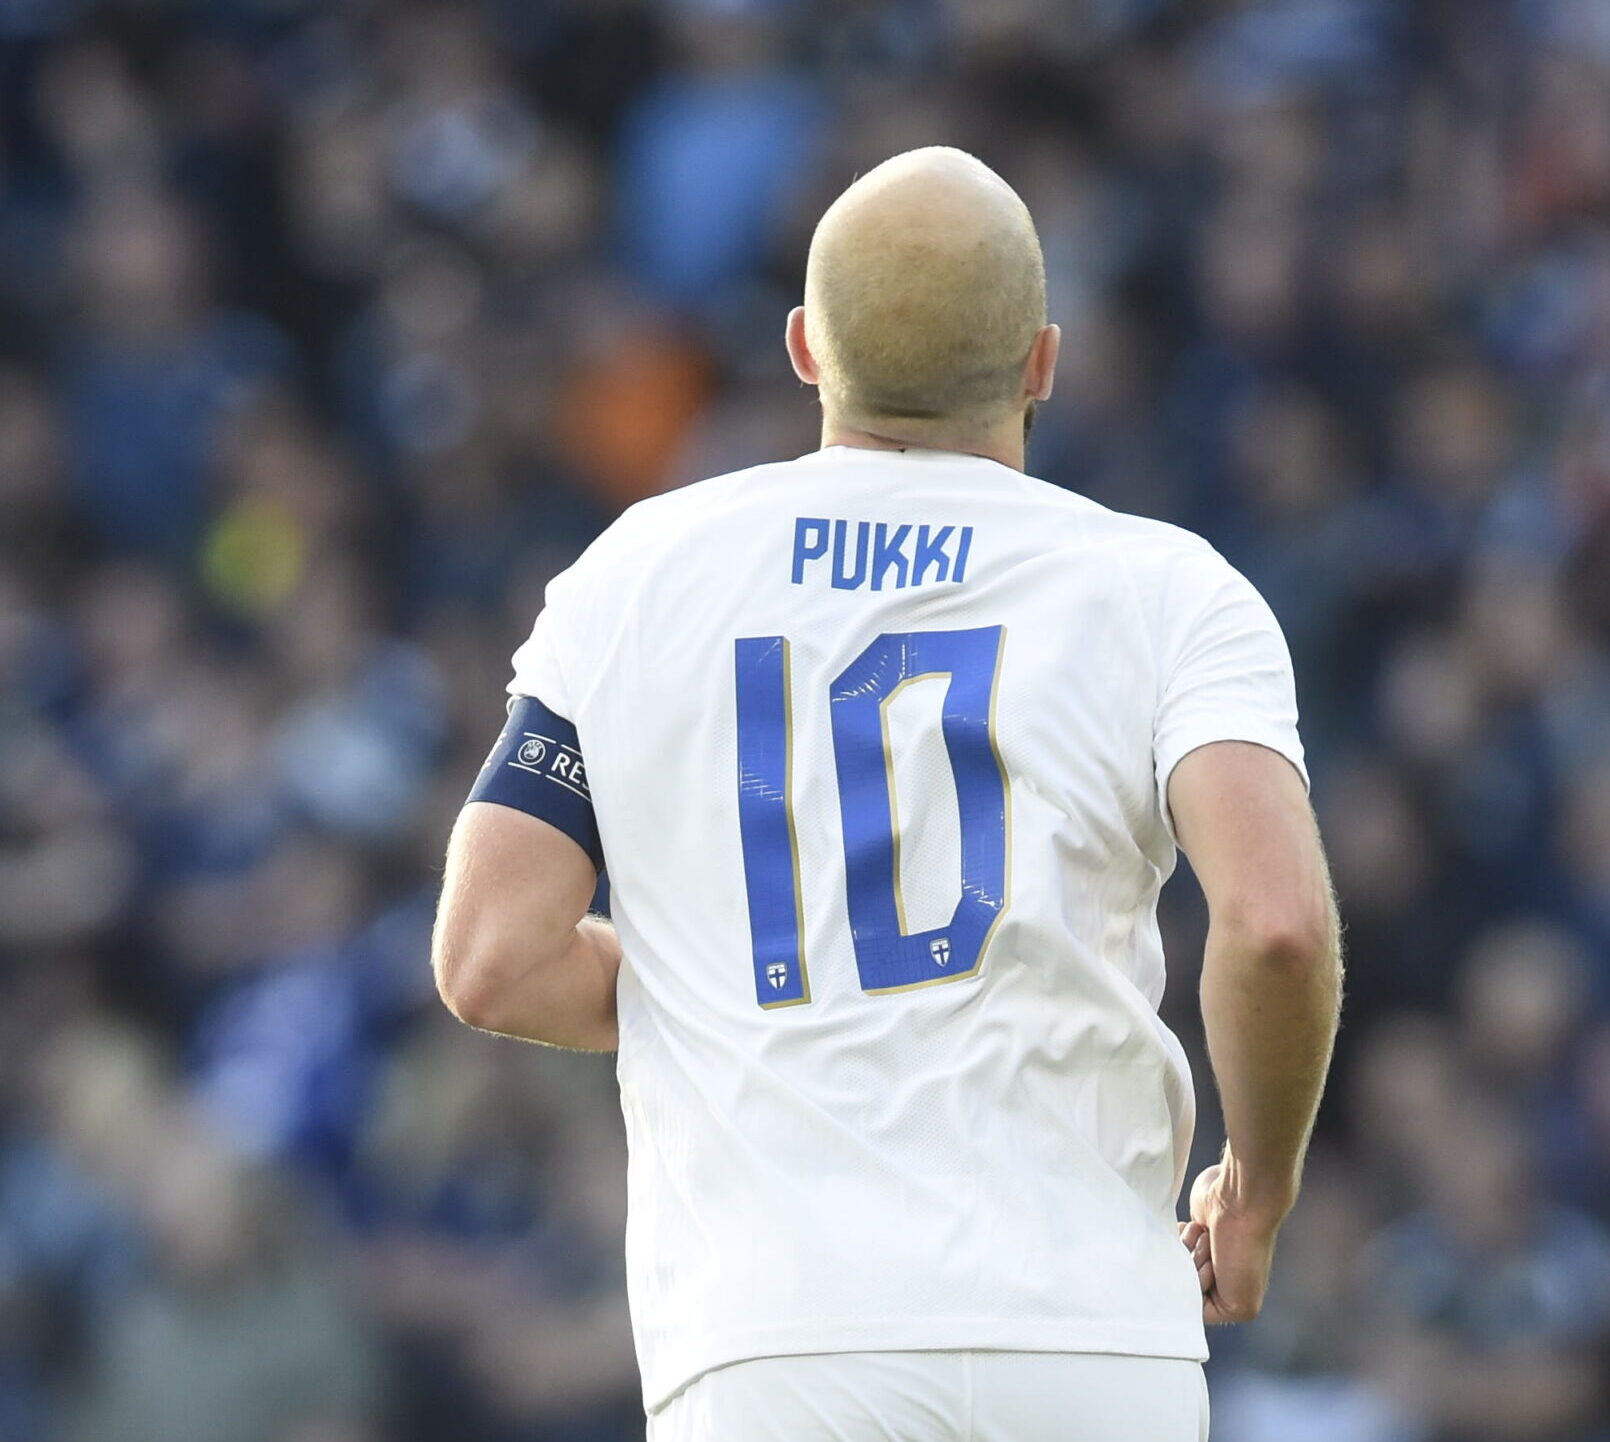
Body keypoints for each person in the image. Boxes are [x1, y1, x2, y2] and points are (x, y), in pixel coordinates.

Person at [431, 146, 1342, 1441]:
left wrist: (737, 992)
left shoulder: (640, 575)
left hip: (774, 1343)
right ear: (1041, 360)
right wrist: (1255, 1190)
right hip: (1086, 1339)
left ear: (806, 348)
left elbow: (490, 956)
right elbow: (1277, 925)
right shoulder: (1170, 590)